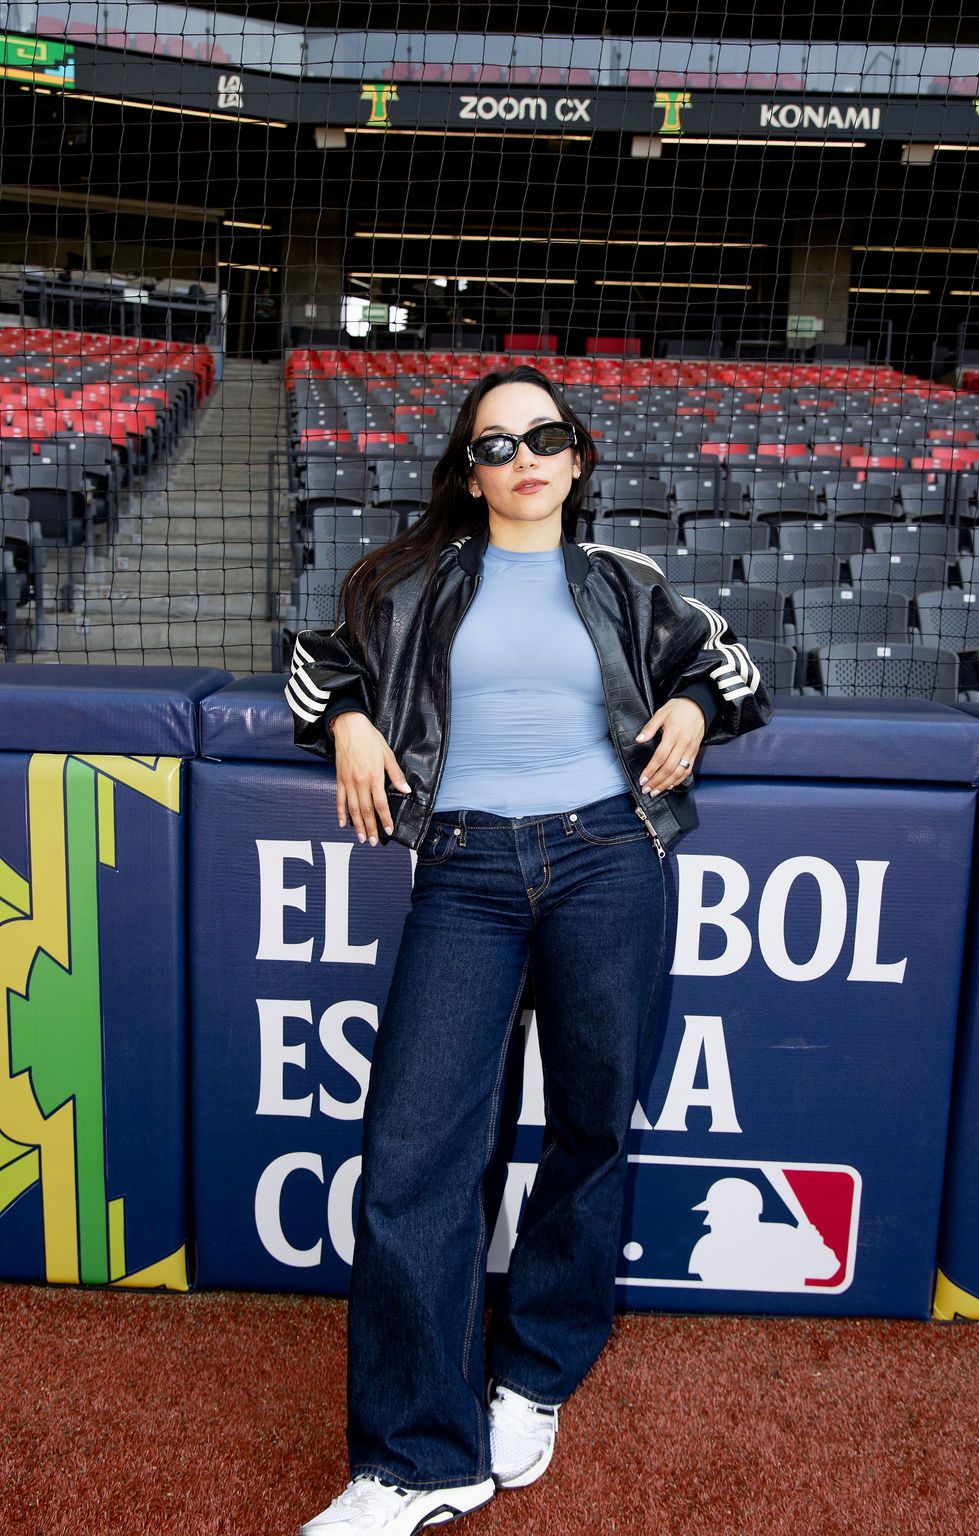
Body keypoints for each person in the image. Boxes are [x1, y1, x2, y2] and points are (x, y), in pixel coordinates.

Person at [286, 364, 772, 1535]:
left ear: (578, 454)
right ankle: (417, 1458)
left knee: (594, 1121)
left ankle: (536, 1368)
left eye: (544, 436)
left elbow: (736, 668)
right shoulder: (409, 584)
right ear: (471, 472)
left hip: (610, 858)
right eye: (496, 445)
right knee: (413, 1155)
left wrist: (699, 709)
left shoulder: (625, 583)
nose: (523, 459)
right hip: (465, 870)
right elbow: (313, 662)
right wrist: (348, 719)